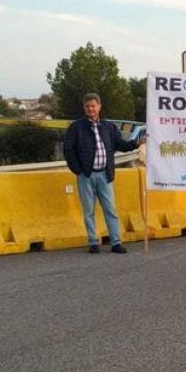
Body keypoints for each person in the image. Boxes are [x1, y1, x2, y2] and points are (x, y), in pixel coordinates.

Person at [62, 93, 143, 254]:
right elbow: (68, 149)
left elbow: (120, 144)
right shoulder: (76, 127)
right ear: (84, 108)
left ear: (99, 107)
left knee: (110, 209)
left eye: (93, 106)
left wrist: (135, 143)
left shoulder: (108, 127)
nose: (90, 109)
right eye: (87, 106)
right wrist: (77, 170)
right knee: (88, 210)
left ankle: (115, 242)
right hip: (86, 175)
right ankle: (93, 242)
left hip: (105, 175)